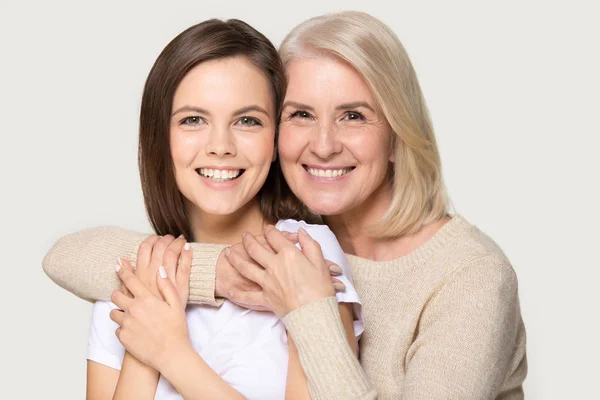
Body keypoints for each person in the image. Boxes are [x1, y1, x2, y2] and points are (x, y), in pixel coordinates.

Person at [43, 11, 527, 399]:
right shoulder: (286, 242)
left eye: (353, 116)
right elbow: (65, 257)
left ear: (399, 134)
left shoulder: (469, 276)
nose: (322, 146)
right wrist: (217, 273)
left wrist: (309, 309)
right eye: (300, 115)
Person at [76, 18, 362, 400]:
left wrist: (171, 354)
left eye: (247, 121)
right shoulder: (137, 273)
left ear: (275, 138)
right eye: (193, 120)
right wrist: (142, 356)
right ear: (160, 135)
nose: (220, 146)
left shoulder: (302, 252)